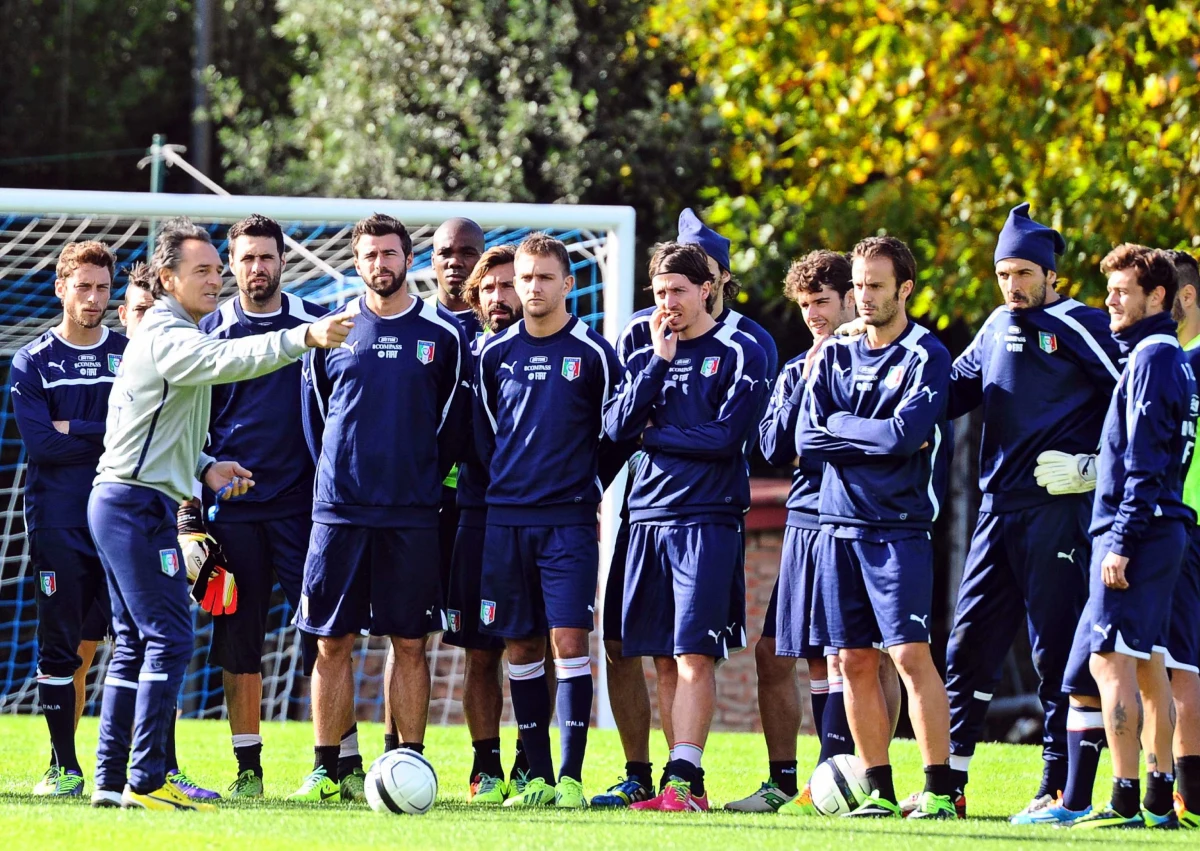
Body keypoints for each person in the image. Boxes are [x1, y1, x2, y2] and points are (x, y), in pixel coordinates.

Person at [88, 217, 352, 810]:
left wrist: (204, 464)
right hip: (136, 506)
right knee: (169, 638)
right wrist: (303, 338)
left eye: (217, 268)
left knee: (134, 643)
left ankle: (110, 780)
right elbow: (228, 362)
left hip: (130, 499)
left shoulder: (167, 331)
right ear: (167, 277)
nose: (219, 279)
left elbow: (156, 426)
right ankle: (148, 780)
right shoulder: (171, 333)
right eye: (203, 270)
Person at [934, 204, 1122, 823]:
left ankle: (1056, 783)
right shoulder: (992, 325)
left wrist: (1093, 470)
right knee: (967, 646)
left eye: (1022, 274)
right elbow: (950, 390)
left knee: (1054, 654)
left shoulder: (1081, 324)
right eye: (1002, 274)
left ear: (1050, 275)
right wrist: (880, 351)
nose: (1012, 286)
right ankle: (948, 782)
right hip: (997, 511)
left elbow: (1141, 401)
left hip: (1058, 514)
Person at [595, 208, 777, 807]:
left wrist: (655, 434)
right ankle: (669, 782)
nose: (665, 301)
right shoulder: (638, 338)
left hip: (706, 517)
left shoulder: (748, 344)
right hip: (643, 515)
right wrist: (657, 363)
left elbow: (727, 438)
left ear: (712, 285)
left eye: (678, 289)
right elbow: (617, 427)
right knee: (651, 655)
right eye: (659, 291)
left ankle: (686, 780)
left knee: (693, 651)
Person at [292, 213, 469, 802]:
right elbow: (316, 422)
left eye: (389, 254)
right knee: (331, 642)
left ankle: (409, 763)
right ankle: (328, 768)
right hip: (339, 511)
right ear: (355, 260)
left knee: (411, 642)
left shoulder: (442, 337)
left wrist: (417, 481)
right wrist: (343, 478)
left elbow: (450, 427)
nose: (379, 265)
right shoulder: (329, 332)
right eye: (368, 255)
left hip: (412, 514)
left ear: (407, 258)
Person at [733, 250, 900, 815]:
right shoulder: (796, 369)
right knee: (777, 652)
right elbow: (775, 447)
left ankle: (854, 775)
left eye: (822, 302)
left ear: (853, 298)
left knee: (862, 653)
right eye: (804, 306)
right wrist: (808, 378)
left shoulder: (879, 361)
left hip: (861, 518)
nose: (812, 316)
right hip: (805, 518)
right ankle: (785, 781)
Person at [797, 235, 956, 819]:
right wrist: (868, 431)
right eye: (858, 285)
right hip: (836, 524)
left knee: (910, 656)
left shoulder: (926, 355)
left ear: (904, 289)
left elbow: (906, 435)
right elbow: (806, 440)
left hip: (899, 527)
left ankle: (939, 790)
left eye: (875, 286)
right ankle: (880, 792)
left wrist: (845, 425)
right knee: (853, 659)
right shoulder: (836, 352)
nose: (863, 297)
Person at [474, 234, 627, 808]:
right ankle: (535, 776)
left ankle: (569, 776)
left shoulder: (592, 352)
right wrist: (509, 488)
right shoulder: (492, 354)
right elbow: (483, 435)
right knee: (519, 645)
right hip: (506, 521)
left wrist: (587, 486)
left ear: (567, 284)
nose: (531, 288)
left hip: (568, 523)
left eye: (543, 278)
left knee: (569, 639)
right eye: (524, 278)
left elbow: (616, 434)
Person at [196, 215, 335, 799]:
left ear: (283, 260)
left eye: (267, 257)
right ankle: (248, 769)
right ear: (232, 262)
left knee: (325, 635)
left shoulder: (314, 324)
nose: (258, 268)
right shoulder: (210, 329)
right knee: (238, 641)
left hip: (304, 508)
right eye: (247, 257)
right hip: (233, 512)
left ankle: (334, 764)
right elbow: (191, 421)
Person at [1064, 245, 1195, 829]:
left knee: (1108, 662)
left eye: (1121, 291)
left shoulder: (1150, 359)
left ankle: (1123, 801)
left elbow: (1144, 463)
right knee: (1148, 666)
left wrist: (1120, 539)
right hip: (1164, 530)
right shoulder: (1170, 358)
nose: (1110, 300)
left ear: (1158, 297)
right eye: (1108, 289)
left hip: (1139, 532)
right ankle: (1160, 800)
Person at [11, 241, 127, 798]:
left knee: (137, 639)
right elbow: (40, 443)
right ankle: (64, 767)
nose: (93, 298)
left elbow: (142, 432)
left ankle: (146, 768)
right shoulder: (32, 360)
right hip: (58, 521)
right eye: (83, 286)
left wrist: (72, 430)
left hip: (124, 518)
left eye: (102, 288)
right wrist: (104, 433)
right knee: (60, 644)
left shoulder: (130, 354)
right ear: (61, 288)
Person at [444, 243, 531, 802]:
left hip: (540, 519)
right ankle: (486, 767)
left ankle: (534, 763)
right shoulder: (462, 352)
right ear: (475, 295)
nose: (500, 297)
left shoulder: (562, 349)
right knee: (480, 651)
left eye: (509, 286)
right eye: (490, 288)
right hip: (474, 516)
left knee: (534, 646)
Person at [1168, 248, 1200, 829]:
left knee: (1180, 667)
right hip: (1176, 528)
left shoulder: (1184, 365)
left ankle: (1186, 798)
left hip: (1185, 527)